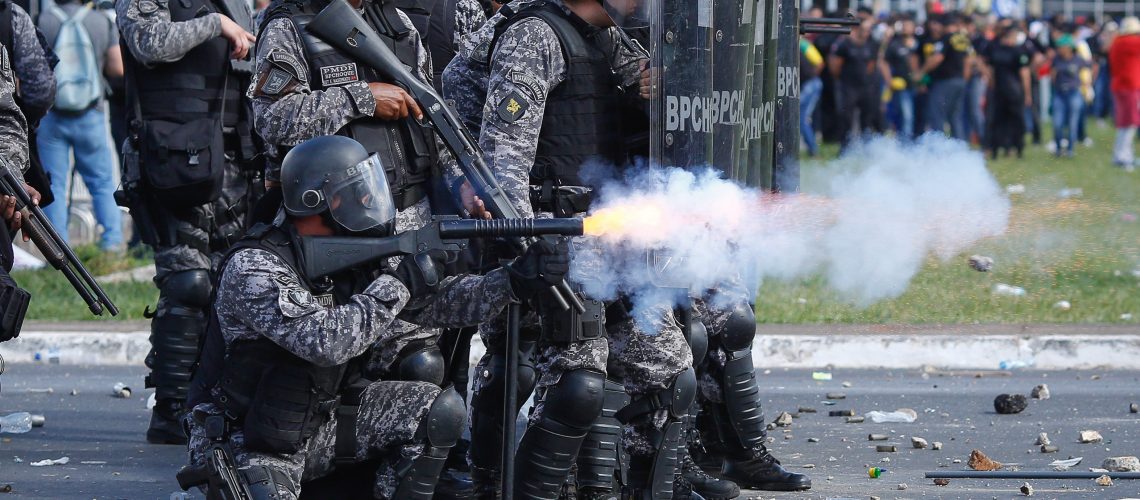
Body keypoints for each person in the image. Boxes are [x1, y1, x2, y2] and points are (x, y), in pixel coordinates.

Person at [181, 135, 569, 499]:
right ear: (317, 200)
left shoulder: (353, 252)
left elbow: (436, 306)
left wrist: (511, 282)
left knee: (435, 409)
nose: (368, 197)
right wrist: (399, 280)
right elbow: (325, 342)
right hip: (248, 440)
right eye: (354, 192)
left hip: (319, 421)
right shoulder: (255, 266)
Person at [117, 0, 258, 445]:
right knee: (187, 283)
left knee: (229, 285)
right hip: (171, 155)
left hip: (234, 159)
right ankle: (171, 410)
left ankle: (215, 403)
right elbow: (147, 43)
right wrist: (215, 24)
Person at [36, 0, 123, 251]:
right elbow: (116, 68)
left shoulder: (44, 20)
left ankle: (57, 247)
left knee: (53, 184)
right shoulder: (100, 21)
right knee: (101, 181)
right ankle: (112, 243)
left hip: (53, 114)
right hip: (91, 113)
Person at [917, 13, 973, 140]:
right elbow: (969, 61)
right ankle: (960, 149)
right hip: (960, 81)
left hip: (945, 81)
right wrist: (964, 79)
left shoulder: (945, 38)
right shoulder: (963, 39)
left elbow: (937, 58)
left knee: (936, 113)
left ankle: (940, 148)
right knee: (955, 117)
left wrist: (921, 72)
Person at [829, 17, 881, 149]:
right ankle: (845, 147)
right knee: (846, 118)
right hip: (849, 87)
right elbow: (835, 66)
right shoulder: (845, 44)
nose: (866, 32)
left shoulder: (871, 45)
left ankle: (866, 147)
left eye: (869, 30)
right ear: (857, 29)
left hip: (866, 87)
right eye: (864, 29)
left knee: (867, 119)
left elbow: (872, 65)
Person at [982, 23, 1031, 159]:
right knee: (1006, 121)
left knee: (1007, 121)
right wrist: (1027, 94)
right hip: (1007, 91)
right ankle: (1006, 149)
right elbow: (1024, 74)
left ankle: (1009, 149)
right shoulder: (1009, 50)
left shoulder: (1008, 51)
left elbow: (1024, 73)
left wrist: (1026, 94)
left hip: (1007, 91)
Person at [1049, 34, 1089, 158]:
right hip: (1060, 93)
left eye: (1062, 46)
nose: (1059, 49)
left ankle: (1070, 149)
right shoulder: (1056, 59)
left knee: (1072, 122)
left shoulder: (1077, 59)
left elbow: (1091, 66)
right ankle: (1058, 148)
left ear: (1069, 47)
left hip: (1074, 93)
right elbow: (1052, 74)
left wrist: (1087, 83)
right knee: (1057, 123)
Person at [1109, 16, 1140, 169]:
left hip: (1120, 86)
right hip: (1129, 86)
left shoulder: (1118, 41)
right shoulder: (1132, 41)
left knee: (1123, 123)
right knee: (1131, 122)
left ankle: (1120, 155)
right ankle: (1124, 156)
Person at [884, 16, 918, 140]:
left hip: (916, 85)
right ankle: (905, 142)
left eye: (908, 26)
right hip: (900, 85)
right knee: (905, 115)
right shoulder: (895, 44)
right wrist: (889, 80)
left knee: (913, 115)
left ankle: (910, 140)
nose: (905, 29)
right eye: (904, 26)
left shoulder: (918, 43)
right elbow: (884, 62)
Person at [799, 35, 824, 154]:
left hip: (810, 84)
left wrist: (809, 77)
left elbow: (819, 63)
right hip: (809, 84)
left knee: (801, 118)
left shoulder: (803, 44)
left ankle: (813, 150)